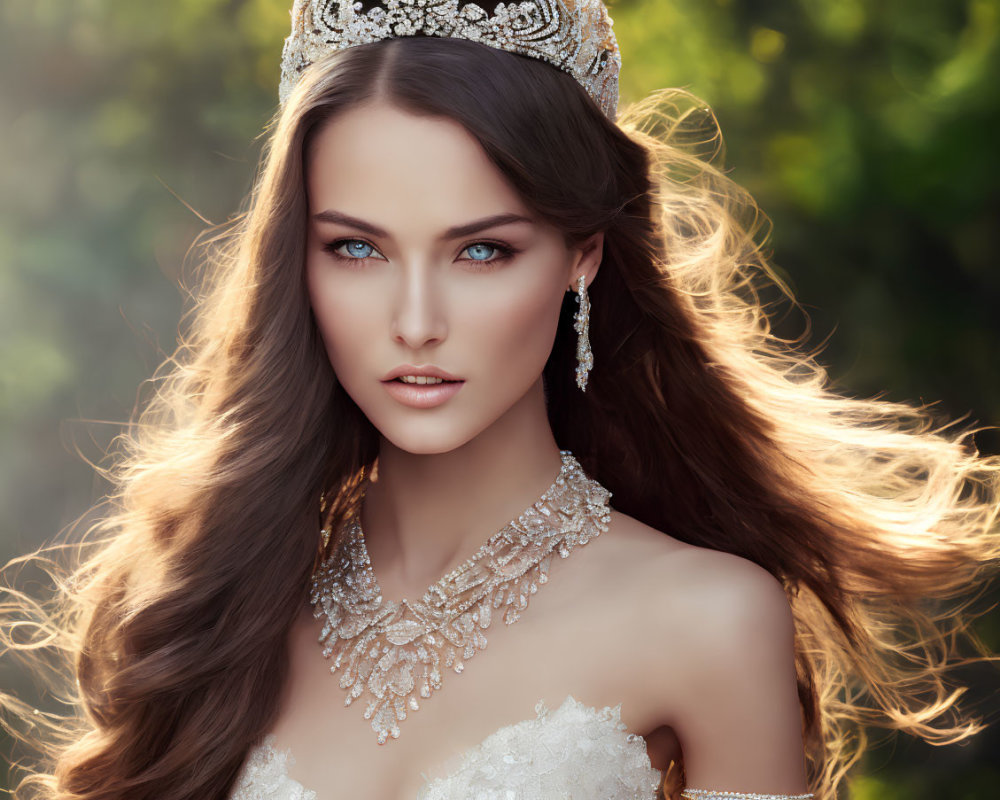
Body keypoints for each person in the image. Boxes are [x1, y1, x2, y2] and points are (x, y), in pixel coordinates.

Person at [2, 1, 998, 799]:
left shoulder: (705, 618)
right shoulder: (217, 606)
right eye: (357, 248)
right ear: (295, 266)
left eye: (482, 250)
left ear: (581, 257)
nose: (417, 318)